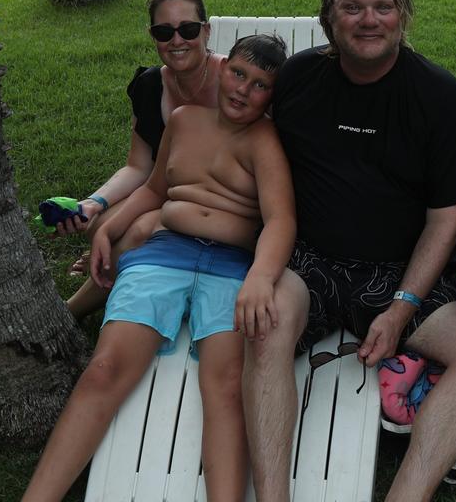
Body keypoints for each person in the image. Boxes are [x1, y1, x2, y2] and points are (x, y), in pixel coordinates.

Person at [242, 0, 456, 502]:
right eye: (353, 7)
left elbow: (446, 216)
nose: (369, 20)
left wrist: (403, 306)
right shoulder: (297, 79)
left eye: (383, 6)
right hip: (309, 260)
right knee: (265, 328)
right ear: (329, 18)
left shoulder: (436, 96)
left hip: (398, 269)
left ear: (403, 13)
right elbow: (235, 133)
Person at [23, 35, 294, 502]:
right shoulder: (186, 121)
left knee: (227, 388)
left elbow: (280, 220)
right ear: (222, 66)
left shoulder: (266, 141)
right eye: (238, 74)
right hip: (164, 252)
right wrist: (110, 228)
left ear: (273, 96)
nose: (243, 90)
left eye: (260, 85)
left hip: (231, 268)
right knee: (104, 368)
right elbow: (152, 188)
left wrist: (261, 278)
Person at [58, 0, 225, 320]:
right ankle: (110, 260)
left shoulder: (234, 84)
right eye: (164, 32)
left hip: (214, 203)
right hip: (162, 190)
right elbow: (137, 166)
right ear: (153, 37)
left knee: (133, 233)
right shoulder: (150, 86)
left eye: (188, 29)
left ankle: (68, 313)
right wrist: (94, 202)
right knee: (98, 224)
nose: (177, 41)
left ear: (206, 31)